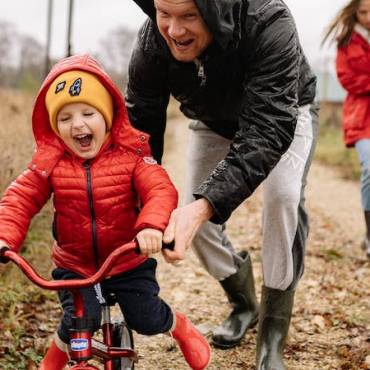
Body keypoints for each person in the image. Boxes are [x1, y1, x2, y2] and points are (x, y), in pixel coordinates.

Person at [125, 0, 318, 369]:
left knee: (282, 197)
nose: (174, 31)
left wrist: (205, 206)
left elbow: (267, 128)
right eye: (164, 13)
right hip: (211, 120)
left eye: (188, 16)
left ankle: (273, 334)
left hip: (283, 114)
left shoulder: (269, 20)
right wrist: (135, 207)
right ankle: (244, 304)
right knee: (192, 216)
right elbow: (140, 135)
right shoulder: (152, 41)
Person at [0, 54, 211, 370]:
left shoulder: (132, 156)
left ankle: (179, 327)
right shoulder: (50, 163)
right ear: (55, 126)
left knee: (146, 317)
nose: (78, 124)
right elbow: (19, 199)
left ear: (109, 116)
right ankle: (54, 359)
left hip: (127, 258)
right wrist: (4, 236)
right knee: (80, 320)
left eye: (88, 113)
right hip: (75, 264)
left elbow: (160, 189)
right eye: (66, 118)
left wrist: (150, 226)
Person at [323, 0, 370, 259]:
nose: (367, 17)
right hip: (362, 118)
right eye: (362, 12)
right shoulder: (347, 41)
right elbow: (347, 78)